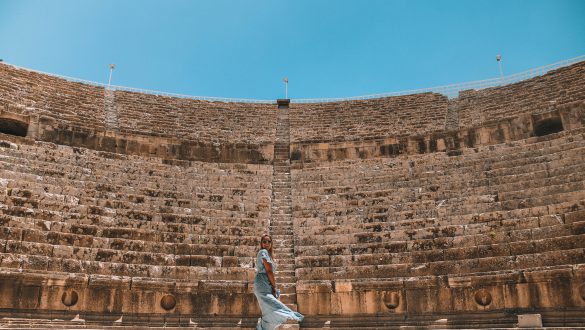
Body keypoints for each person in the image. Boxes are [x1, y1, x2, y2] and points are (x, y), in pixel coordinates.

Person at [254, 234, 304, 330]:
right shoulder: (263, 252)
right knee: (276, 307)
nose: (267, 243)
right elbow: (269, 271)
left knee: (267, 311)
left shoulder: (269, 255)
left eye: (269, 241)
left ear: (272, 243)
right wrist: (274, 287)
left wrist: (272, 286)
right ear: (261, 243)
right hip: (262, 285)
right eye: (264, 241)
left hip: (266, 284)